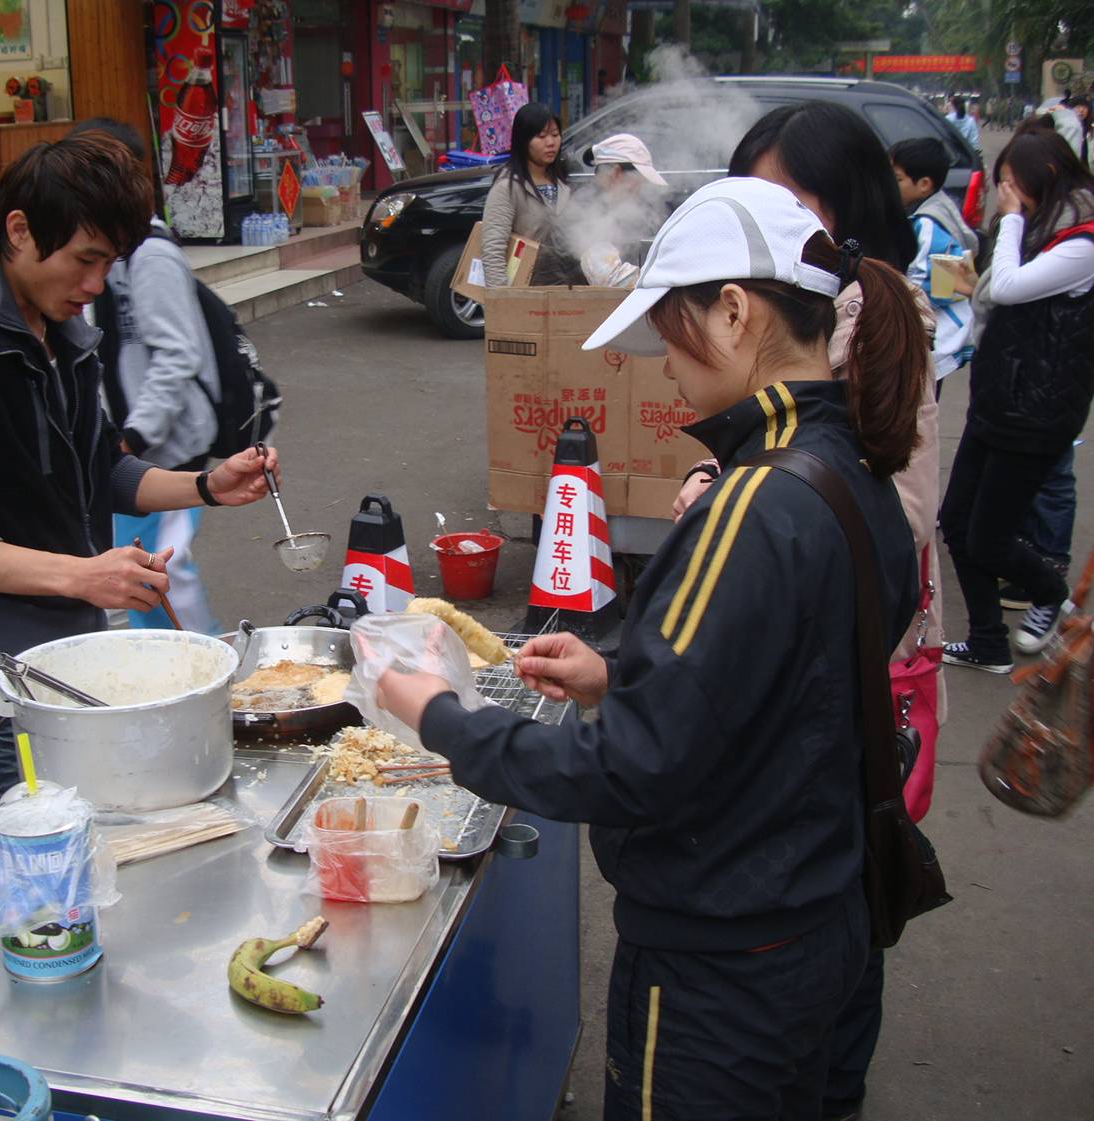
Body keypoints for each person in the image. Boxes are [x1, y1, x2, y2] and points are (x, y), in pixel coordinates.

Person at [376, 176, 923, 1121]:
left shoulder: (751, 504)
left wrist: (441, 715)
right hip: (819, 924)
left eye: (669, 337)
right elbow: (786, 683)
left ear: (735, 311)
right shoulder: (854, 474)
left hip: (723, 966)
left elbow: (630, 771)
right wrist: (620, 675)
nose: (665, 370)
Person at [0, 132, 279, 839]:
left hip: (81, 656)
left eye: (108, 265)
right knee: (21, 891)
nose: (95, 285)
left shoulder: (60, 334)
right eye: (84, 261)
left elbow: (99, 472)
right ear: (20, 230)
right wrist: (79, 575)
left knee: (96, 865)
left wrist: (209, 485)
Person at [678, 102, 942, 1121]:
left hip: (857, 657)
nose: (763, 214)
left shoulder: (874, 317)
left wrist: (750, 500)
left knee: (833, 875)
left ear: (846, 206)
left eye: (786, 196)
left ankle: (825, 1082)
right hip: (807, 642)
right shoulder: (801, 309)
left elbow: (902, 508)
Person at [939, 127, 1094, 669]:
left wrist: (1010, 220)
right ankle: (987, 642)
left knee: (989, 537)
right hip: (998, 400)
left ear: (1044, 178)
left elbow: (1007, 288)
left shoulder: (1081, 241)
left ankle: (1052, 593)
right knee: (957, 523)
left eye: (1010, 183)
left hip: (1037, 413)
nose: (1004, 193)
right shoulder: (1047, 223)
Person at [78, 117, 222, 634]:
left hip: (163, 447)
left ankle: (200, 678)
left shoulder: (150, 253)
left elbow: (177, 355)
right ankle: (179, 673)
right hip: (136, 443)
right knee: (149, 575)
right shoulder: (113, 253)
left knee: (161, 576)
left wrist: (133, 438)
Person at [890, 137, 978, 392]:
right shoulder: (942, 210)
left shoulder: (928, 226)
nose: (890, 185)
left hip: (937, 338)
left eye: (897, 179)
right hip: (937, 335)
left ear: (924, 184)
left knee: (920, 405)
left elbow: (924, 288)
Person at [479, 102, 569, 287]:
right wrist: (504, 300)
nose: (551, 142)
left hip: (562, 292)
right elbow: (493, 249)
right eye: (541, 136)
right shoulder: (508, 188)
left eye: (555, 134)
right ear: (523, 140)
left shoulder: (562, 186)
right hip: (525, 294)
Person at [576, 132, 668, 287]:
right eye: (637, 182)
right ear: (617, 173)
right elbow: (612, 280)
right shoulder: (585, 209)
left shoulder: (613, 206)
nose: (639, 190)